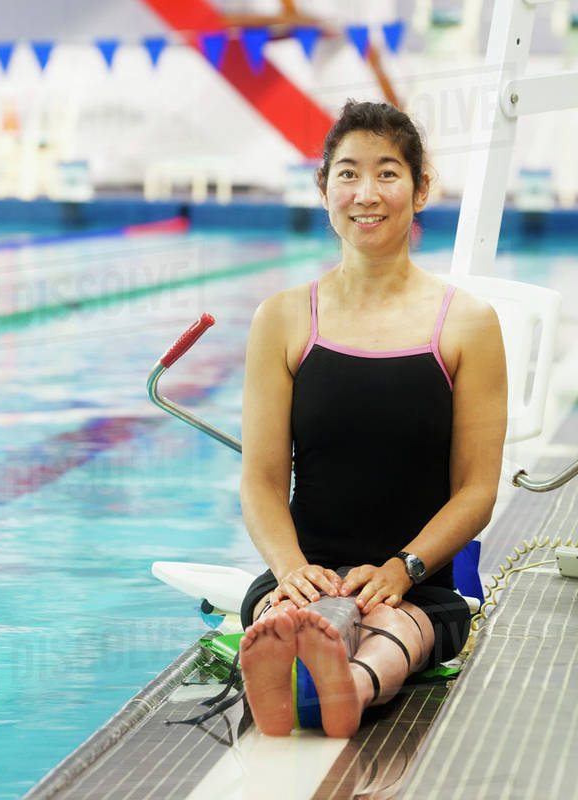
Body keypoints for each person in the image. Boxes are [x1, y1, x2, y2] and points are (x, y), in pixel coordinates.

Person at [236, 100, 508, 738]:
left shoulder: (466, 323)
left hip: (413, 580)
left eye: (388, 173)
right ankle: (308, 653)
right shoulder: (283, 319)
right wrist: (291, 571)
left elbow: (477, 489)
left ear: (420, 191)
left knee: (398, 629)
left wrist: (401, 570)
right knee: (284, 614)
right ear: (324, 189)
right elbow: (262, 481)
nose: (367, 193)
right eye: (348, 174)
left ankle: (348, 685)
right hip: (306, 572)